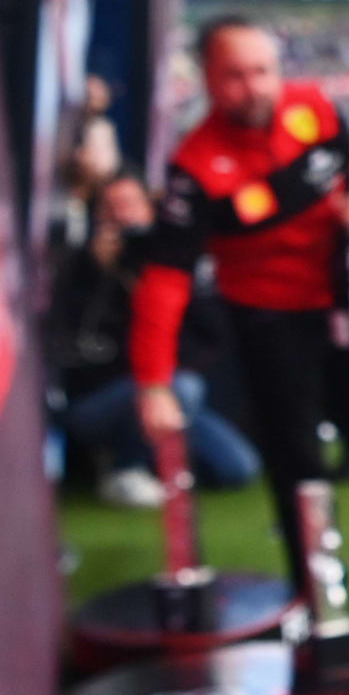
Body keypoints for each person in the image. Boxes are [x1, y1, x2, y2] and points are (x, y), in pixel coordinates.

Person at [130, 17, 349, 604]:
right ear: (208, 80)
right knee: (295, 454)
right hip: (270, 321)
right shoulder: (195, 168)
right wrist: (153, 382)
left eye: (263, 71)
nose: (254, 88)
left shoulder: (312, 107)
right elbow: (165, 276)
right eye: (235, 76)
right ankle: (312, 583)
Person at [47, 172, 261, 499]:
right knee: (182, 387)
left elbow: (209, 336)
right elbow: (75, 348)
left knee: (238, 467)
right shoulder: (79, 268)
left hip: (168, 392)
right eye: (110, 208)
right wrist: (97, 274)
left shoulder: (171, 261)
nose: (122, 217)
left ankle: (145, 457)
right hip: (104, 396)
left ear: (150, 209)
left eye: (130, 205)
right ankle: (125, 467)